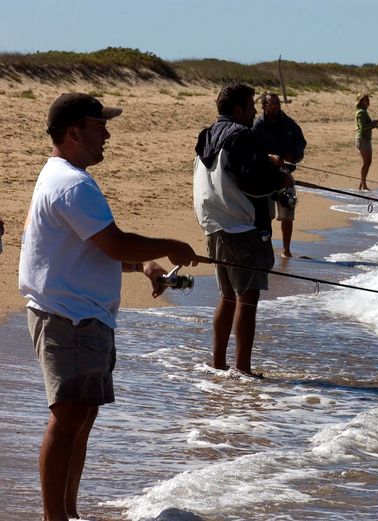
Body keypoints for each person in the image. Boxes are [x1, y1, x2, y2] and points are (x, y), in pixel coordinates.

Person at [19, 92, 198, 521]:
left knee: (81, 419)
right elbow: (114, 241)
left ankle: (67, 513)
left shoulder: (66, 177)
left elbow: (97, 246)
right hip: (69, 317)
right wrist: (171, 245)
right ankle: (54, 517)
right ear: (74, 131)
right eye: (99, 126)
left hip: (83, 316)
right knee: (68, 419)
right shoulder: (71, 183)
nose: (107, 134)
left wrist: (147, 265)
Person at [193, 84, 293, 376]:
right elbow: (252, 182)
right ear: (237, 109)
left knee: (226, 296)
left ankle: (219, 362)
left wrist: (267, 162)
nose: (253, 112)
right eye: (250, 106)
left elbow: (232, 170)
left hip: (213, 226)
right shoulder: (243, 135)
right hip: (243, 228)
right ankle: (243, 369)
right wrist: (281, 180)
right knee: (247, 301)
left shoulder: (207, 134)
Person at [252, 92, 307, 258]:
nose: (276, 106)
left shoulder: (288, 123)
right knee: (266, 216)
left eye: (277, 102)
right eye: (272, 103)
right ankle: (265, 248)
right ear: (264, 107)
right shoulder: (258, 125)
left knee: (288, 214)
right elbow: (252, 148)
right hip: (265, 176)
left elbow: (301, 143)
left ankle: (286, 249)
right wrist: (269, 157)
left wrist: (292, 155)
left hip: (285, 175)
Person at [355, 93, 378, 191]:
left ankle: (362, 185)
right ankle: (364, 185)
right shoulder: (361, 112)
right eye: (365, 100)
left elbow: (367, 125)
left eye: (367, 99)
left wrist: (375, 124)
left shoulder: (363, 112)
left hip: (365, 139)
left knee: (367, 162)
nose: (367, 101)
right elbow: (363, 127)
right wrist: (374, 124)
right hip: (363, 139)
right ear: (360, 101)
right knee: (366, 162)